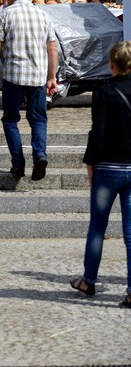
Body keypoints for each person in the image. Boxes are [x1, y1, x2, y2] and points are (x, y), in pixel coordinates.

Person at [70, 41, 131, 308]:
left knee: (97, 226)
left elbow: (98, 132)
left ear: (111, 64)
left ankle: (89, 280)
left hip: (107, 166)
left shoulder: (103, 92)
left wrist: (90, 165)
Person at [0, 0, 57, 180]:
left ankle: (18, 163)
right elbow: (52, 48)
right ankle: (40, 155)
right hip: (37, 77)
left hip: (13, 76)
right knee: (38, 119)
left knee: (10, 120)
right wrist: (51, 77)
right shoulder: (43, 15)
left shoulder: (5, 15)